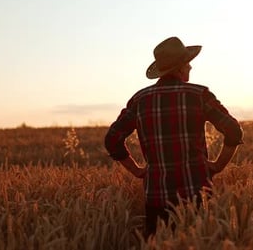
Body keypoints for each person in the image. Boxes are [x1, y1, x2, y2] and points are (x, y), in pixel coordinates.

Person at [104, 36, 244, 238]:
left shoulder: (140, 100)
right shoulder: (199, 95)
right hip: (197, 194)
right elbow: (233, 130)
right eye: (188, 64)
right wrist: (217, 165)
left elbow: (111, 140)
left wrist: (137, 171)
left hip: (156, 198)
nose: (190, 68)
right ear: (179, 68)